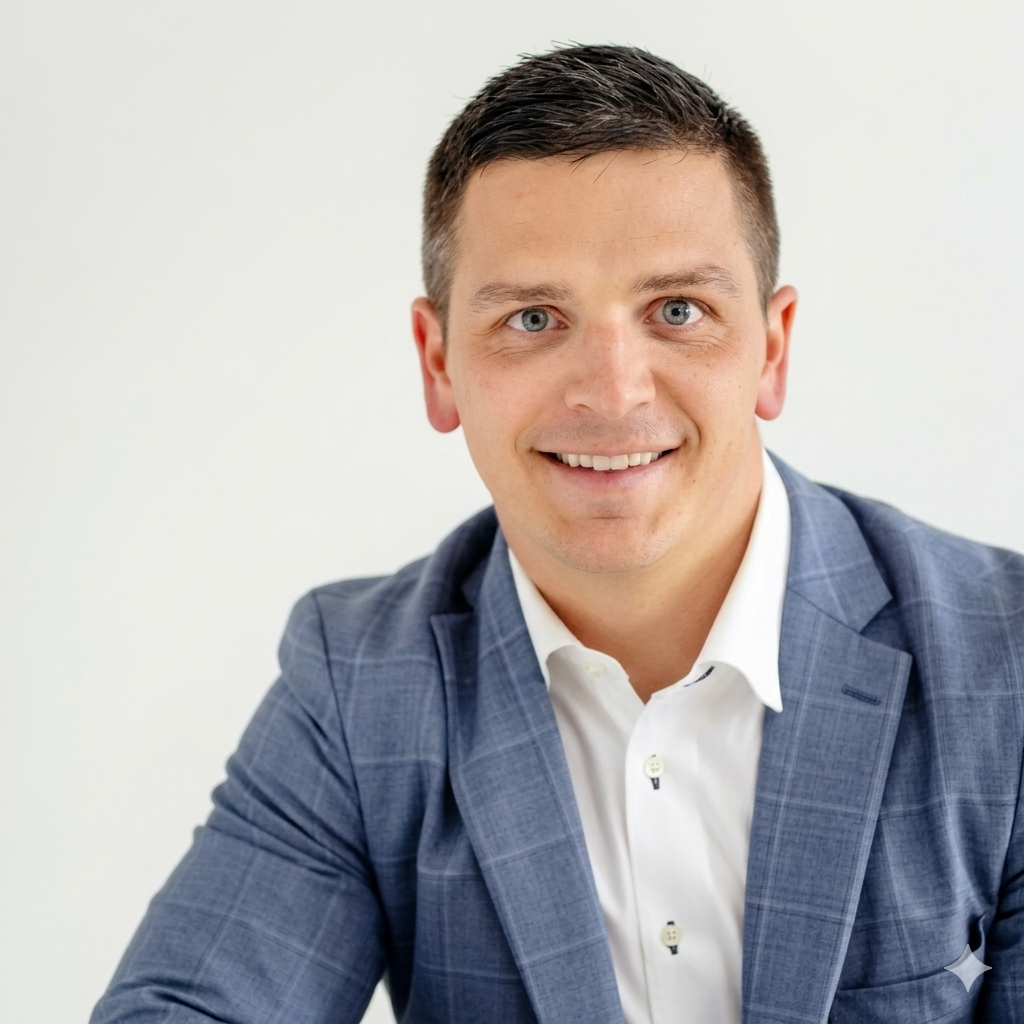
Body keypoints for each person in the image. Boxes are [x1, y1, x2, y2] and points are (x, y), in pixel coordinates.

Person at [91, 45, 1023, 1024]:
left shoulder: (1001, 656)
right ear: (438, 363)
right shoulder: (361, 683)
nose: (612, 392)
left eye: (677, 310)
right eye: (534, 318)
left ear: (772, 348)